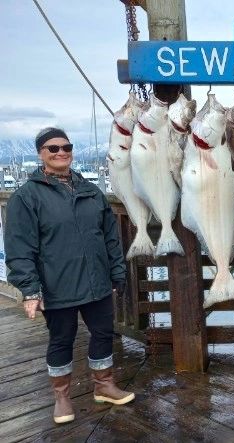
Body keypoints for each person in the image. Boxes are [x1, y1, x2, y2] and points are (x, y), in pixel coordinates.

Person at [5, 127, 134, 424]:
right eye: (53, 148)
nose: (61, 152)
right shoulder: (26, 197)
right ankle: (62, 396)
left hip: (97, 283)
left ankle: (104, 385)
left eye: (66, 147)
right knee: (61, 340)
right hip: (56, 285)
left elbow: (111, 238)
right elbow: (19, 248)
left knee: (103, 334)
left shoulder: (91, 192)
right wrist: (31, 290)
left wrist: (117, 273)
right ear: (41, 154)